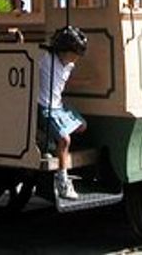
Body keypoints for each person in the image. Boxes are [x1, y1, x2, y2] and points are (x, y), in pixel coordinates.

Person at [38, 25, 88, 200]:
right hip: (45, 108)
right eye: (73, 54)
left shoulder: (69, 65)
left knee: (82, 126)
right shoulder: (46, 60)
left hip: (58, 107)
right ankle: (62, 180)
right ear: (64, 51)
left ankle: (51, 140)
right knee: (65, 139)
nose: (75, 59)